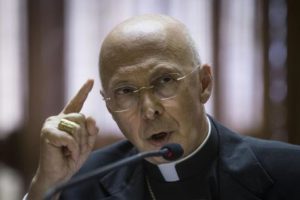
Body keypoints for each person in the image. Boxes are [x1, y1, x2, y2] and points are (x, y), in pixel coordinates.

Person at [26, 14, 300, 200]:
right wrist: (45, 187)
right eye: (125, 91)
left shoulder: (290, 172)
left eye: (165, 80)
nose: (149, 110)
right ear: (109, 106)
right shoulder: (78, 183)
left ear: (204, 84)